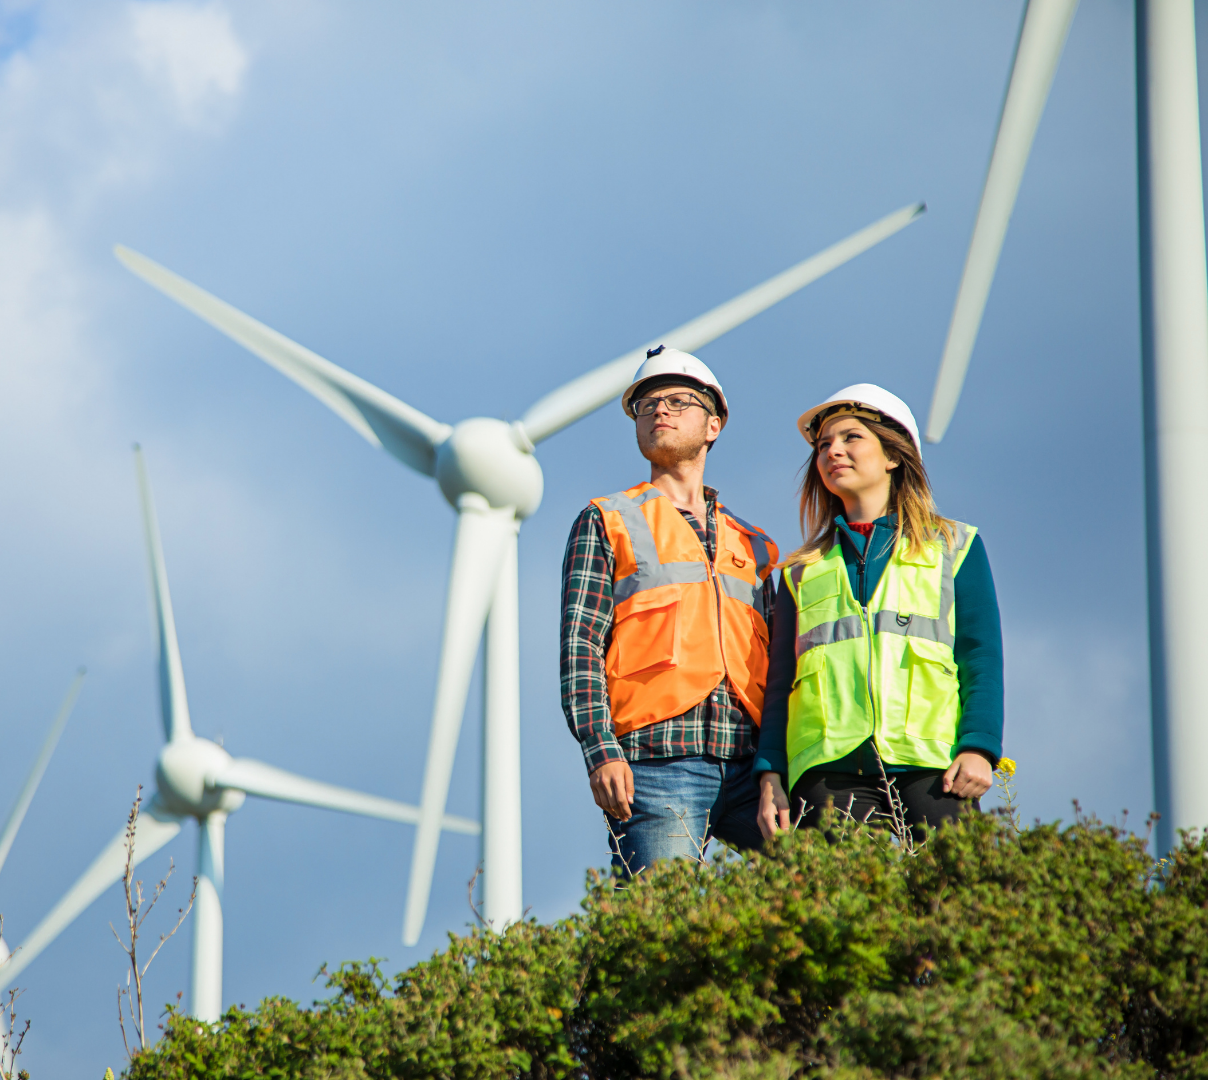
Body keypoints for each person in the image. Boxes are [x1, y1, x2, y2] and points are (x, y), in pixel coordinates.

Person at [561, 345, 779, 876]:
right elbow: (580, 646)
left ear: (714, 425)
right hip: (657, 761)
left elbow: (781, 675)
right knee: (663, 929)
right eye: (646, 404)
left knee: (826, 895)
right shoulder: (607, 519)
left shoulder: (753, 544)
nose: (659, 410)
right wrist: (600, 749)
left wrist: (777, 768)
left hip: (753, 769)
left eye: (678, 401)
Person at [754, 384, 1003, 839]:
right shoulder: (798, 574)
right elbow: (778, 686)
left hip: (935, 763)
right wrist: (771, 775)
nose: (833, 451)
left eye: (851, 438)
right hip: (827, 769)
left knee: (957, 898)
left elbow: (980, 657)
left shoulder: (955, 548)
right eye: (824, 444)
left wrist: (980, 748)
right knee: (843, 907)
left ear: (893, 455)